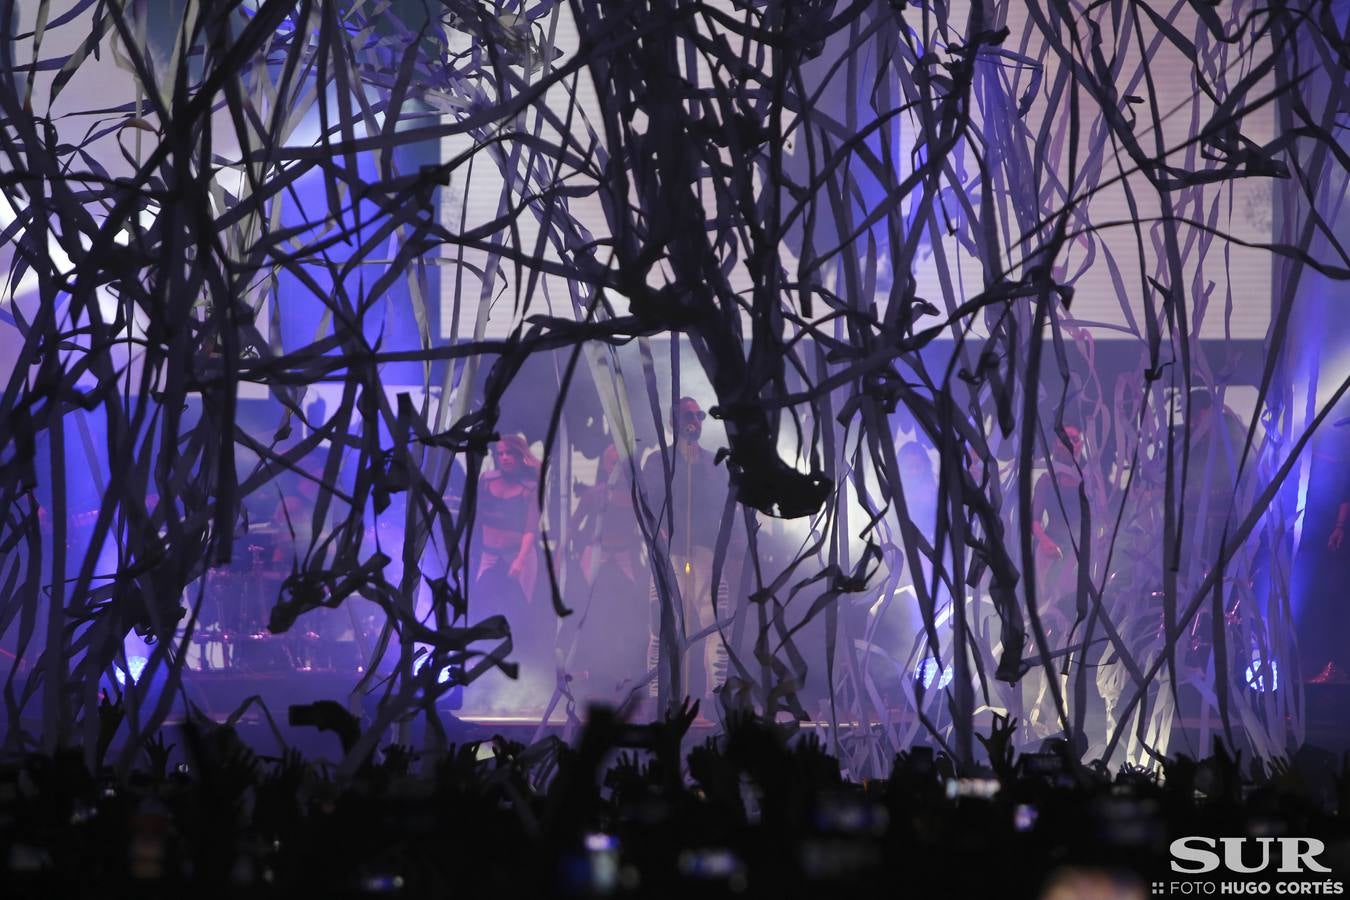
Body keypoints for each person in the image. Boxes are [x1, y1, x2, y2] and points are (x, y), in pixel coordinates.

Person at [640, 397, 731, 712]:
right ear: (673, 422)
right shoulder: (657, 461)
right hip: (670, 552)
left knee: (714, 622)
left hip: (705, 551)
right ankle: (658, 695)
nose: (695, 420)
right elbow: (650, 501)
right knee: (664, 625)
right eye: (688, 415)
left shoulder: (713, 462)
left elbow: (721, 502)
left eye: (699, 415)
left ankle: (714, 697)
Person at [472, 434, 550, 694]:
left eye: (510, 453)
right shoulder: (487, 481)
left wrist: (518, 560)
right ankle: (482, 677)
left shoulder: (529, 488)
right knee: (483, 610)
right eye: (501, 453)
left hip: (520, 557)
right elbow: (478, 517)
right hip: (489, 555)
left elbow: (531, 527)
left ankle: (525, 680)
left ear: (519, 457)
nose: (504, 457)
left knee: (519, 616)